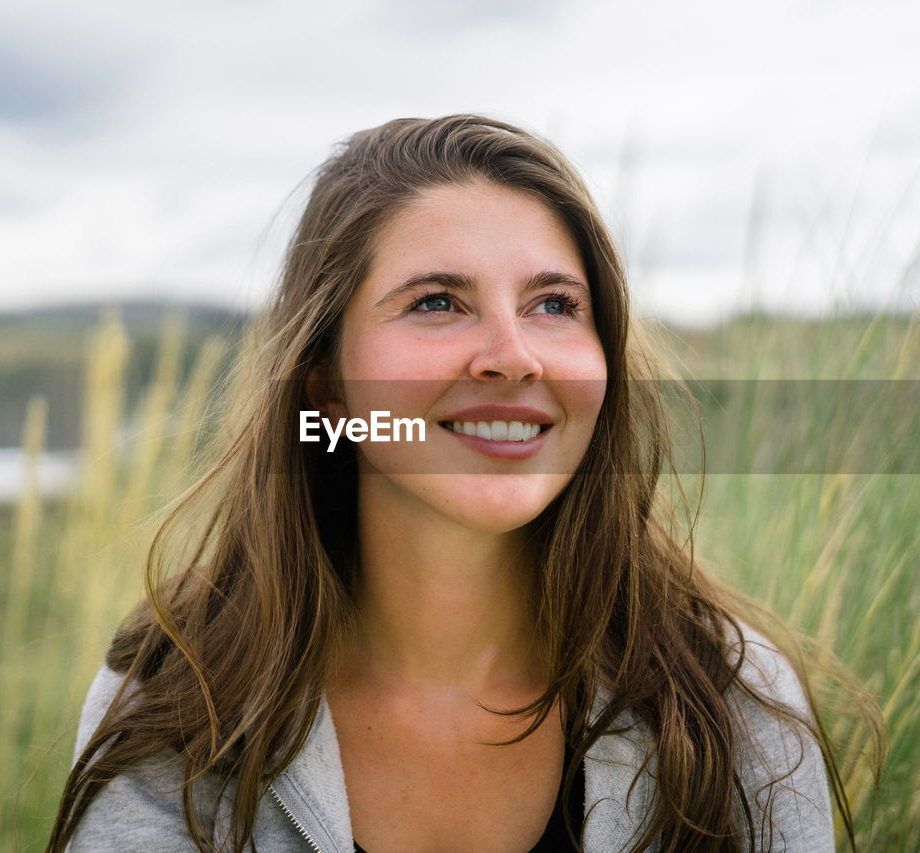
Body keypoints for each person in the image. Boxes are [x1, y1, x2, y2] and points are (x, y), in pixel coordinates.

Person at [47, 114, 869, 852]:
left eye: (554, 304)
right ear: (327, 387)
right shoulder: (183, 695)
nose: (512, 354)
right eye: (439, 301)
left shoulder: (727, 703)